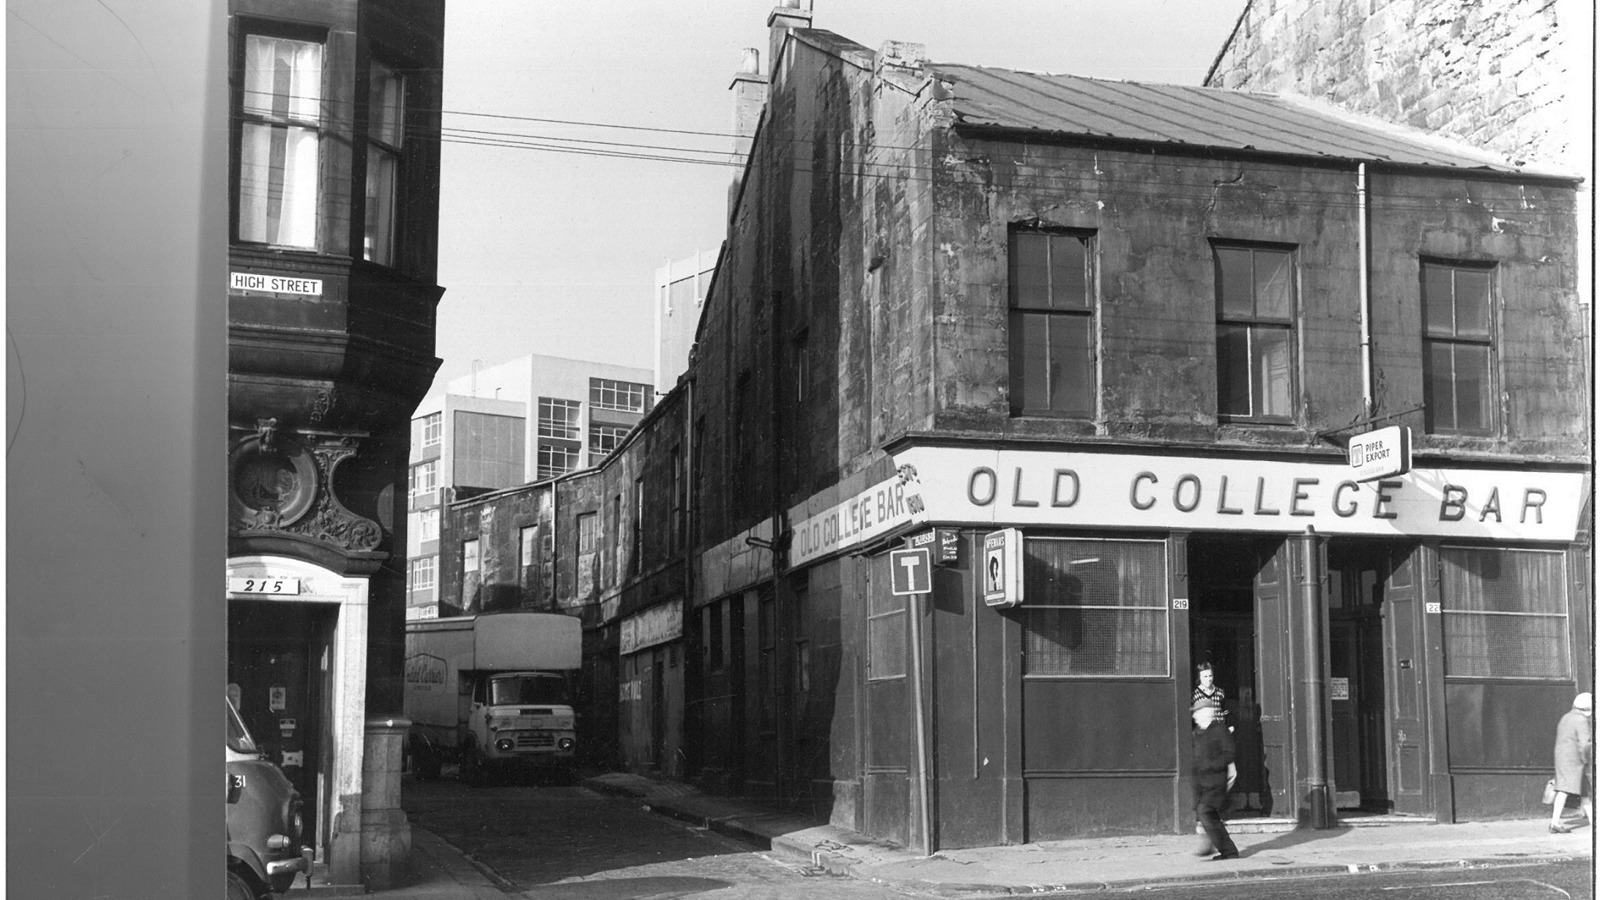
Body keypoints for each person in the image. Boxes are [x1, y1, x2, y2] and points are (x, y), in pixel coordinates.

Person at [1192, 696, 1239, 860]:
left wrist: (1212, 765)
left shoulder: (1220, 730)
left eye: (1198, 712)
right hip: (1202, 782)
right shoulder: (1197, 734)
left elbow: (1229, 753)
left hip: (1216, 782)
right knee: (1211, 816)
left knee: (1204, 812)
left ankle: (1225, 848)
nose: (1195, 716)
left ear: (1208, 713)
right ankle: (1229, 851)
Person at [1549, 691, 1593, 833]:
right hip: (1574, 761)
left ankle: (1594, 823)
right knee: (1564, 791)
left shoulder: (1566, 717)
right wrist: (1586, 759)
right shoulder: (1581, 720)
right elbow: (1585, 743)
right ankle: (1554, 823)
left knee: (1584, 792)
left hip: (1563, 758)